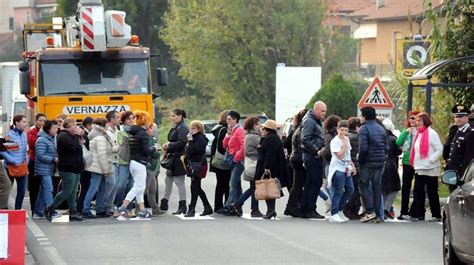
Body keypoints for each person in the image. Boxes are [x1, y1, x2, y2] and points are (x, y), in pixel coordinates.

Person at [116, 111, 158, 219]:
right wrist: (155, 148)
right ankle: (123, 207)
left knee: (139, 187)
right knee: (138, 187)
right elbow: (146, 150)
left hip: (133, 162)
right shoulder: (143, 134)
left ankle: (143, 210)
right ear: (145, 121)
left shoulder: (134, 132)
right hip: (140, 163)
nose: (150, 124)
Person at [46, 117, 85, 222]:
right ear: (68, 126)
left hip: (76, 166)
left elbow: (81, 144)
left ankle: (73, 211)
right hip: (67, 167)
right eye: (74, 125)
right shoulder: (63, 135)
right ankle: (51, 208)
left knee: (73, 191)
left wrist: (80, 136)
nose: (76, 127)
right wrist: (78, 136)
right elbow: (72, 147)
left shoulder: (72, 135)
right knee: (67, 190)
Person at [410, 113, 443, 222]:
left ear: (425, 122)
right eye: (417, 121)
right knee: (418, 191)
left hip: (431, 168)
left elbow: (439, 149)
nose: (417, 123)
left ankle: (436, 215)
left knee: (432, 192)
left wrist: (431, 160)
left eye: (420, 121)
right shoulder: (418, 134)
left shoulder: (431, 133)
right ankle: (417, 214)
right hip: (419, 167)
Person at [358, 107, 388, 223]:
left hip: (368, 162)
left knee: (363, 185)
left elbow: (363, 148)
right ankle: (379, 214)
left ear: (364, 116)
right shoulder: (381, 129)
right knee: (377, 187)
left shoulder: (364, 129)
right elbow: (386, 147)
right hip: (380, 162)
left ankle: (370, 212)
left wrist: (361, 160)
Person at [254, 120, 288, 219]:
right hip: (269, 167)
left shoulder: (270, 139)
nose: (262, 129)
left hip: (269, 168)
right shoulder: (270, 138)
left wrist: (267, 167)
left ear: (268, 130)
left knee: (268, 189)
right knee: (269, 189)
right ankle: (270, 210)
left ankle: (271, 210)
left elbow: (270, 155)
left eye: (264, 128)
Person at [299, 101, 327, 219]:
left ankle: (306, 209)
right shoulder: (310, 121)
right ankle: (310, 209)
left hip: (314, 156)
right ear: (315, 109)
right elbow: (305, 139)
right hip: (312, 156)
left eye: (325, 111)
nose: (324, 113)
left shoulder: (316, 121)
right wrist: (316, 151)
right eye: (322, 111)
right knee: (315, 183)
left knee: (311, 183)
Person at [81, 118, 113, 219]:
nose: (108, 125)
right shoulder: (100, 138)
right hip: (98, 167)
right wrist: (106, 170)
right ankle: (86, 209)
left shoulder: (97, 135)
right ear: (103, 125)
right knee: (93, 188)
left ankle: (100, 209)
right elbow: (102, 155)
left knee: (101, 189)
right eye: (107, 123)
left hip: (98, 166)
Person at [231, 116, 262, 217]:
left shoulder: (250, 135)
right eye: (257, 124)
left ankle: (254, 209)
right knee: (254, 187)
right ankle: (238, 203)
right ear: (252, 125)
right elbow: (263, 145)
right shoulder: (253, 136)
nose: (259, 126)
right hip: (254, 163)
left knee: (254, 187)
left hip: (251, 162)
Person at [161, 109, 189, 215]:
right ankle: (164, 203)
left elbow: (183, 142)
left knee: (179, 182)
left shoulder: (182, 128)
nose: (172, 118)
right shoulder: (178, 127)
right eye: (171, 116)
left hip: (178, 159)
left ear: (180, 116)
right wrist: (168, 145)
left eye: (174, 116)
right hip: (172, 158)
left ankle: (182, 205)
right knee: (168, 181)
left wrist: (169, 145)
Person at [327, 120, 355, 223]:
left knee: (350, 189)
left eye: (346, 130)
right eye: (341, 130)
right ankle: (334, 213)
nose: (343, 132)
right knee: (338, 191)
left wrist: (352, 166)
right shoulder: (335, 141)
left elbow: (348, 155)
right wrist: (343, 145)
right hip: (337, 169)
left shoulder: (347, 139)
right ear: (337, 130)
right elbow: (340, 155)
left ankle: (339, 210)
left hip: (346, 168)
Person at [218, 111, 245, 215]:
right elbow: (224, 146)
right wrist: (228, 134)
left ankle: (229, 206)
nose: (228, 122)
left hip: (238, 161)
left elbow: (243, 146)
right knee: (237, 184)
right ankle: (237, 206)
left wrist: (236, 158)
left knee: (232, 183)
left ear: (235, 120)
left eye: (230, 119)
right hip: (232, 160)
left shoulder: (240, 130)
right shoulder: (232, 130)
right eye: (227, 119)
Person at [183, 121, 212, 217]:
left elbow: (196, 150)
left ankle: (192, 209)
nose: (191, 130)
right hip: (192, 164)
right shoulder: (193, 138)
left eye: (194, 128)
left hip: (199, 165)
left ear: (199, 129)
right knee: (196, 187)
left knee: (194, 187)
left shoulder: (201, 138)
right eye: (190, 128)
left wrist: (190, 141)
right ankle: (207, 207)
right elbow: (188, 151)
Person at [34, 120, 62, 219]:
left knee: (44, 190)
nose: (56, 129)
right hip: (43, 168)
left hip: (48, 168)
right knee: (48, 188)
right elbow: (40, 155)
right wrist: (54, 159)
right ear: (48, 129)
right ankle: (51, 211)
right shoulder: (42, 139)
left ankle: (38, 211)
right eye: (54, 128)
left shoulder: (51, 138)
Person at [395, 110, 420, 220]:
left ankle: (417, 211)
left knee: (419, 188)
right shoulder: (406, 130)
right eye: (411, 118)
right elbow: (398, 143)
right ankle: (404, 211)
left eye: (415, 118)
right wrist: (406, 132)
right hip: (407, 161)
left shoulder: (422, 131)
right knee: (406, 187)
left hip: (419, 162)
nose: (412, 120)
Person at [94, 111, 119, 217]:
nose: (119, 119)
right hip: (108, 161)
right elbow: (107, 149)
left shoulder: (118, 130)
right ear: (112, 119)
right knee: (110, 184)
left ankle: (109, 207)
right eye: (117, 117)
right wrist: (120, 147)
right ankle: (100, 207)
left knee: (115, 186)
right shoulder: (106, 132)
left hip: (117, 161)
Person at [0, 114, 29, 210]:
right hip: (10, 167)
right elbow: (3, 151)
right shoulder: (9, 135)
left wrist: (26, 159)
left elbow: (25, 150)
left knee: (22, 191)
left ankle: (18, 210)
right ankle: (3, 209)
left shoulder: (24, 135)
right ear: (17, 123)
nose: (26, 124)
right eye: (23, 122)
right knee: (7, 188)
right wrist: (13, 160)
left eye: (26, 122)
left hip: (22, 167)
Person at [284, 109, 307, 217]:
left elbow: (286, 143)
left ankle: (293, 206)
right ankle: (292, 206)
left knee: (297, 184)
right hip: (299, 158)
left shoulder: (296, 128)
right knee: (298, 184)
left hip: (294, 158)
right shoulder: (301, 129)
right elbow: (286, 143)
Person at [209, 110, 231, 212]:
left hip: (216, 159)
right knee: (225, 184)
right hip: (223, 159)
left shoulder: (218, 129)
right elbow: (223, 146)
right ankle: (224, 205)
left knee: (220, 184)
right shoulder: (224, 130)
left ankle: (218, 205)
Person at [381, 118, 402, 219]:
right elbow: (398, 151)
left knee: (383, 188)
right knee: (395, 188)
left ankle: (382, 209)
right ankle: (386, 208)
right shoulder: (392, 139)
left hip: (381, 164)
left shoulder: (380, 137)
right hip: (391, 166)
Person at [444, 105, 472, 179]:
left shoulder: (470, 132)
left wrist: (464, 174)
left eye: (461, 117)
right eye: (456, 117)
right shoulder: (457, 130)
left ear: (467, 118)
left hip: (462, 172)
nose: (458, 119)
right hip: (453, 170)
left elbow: (469, 156)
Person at [27, 113, 47, 216]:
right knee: (34, 186)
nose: (42, 123)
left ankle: (42, 208)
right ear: (36, 121)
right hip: (34, 161)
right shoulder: (32, 132)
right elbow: (33, 144)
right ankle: (34, 208)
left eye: (44, 121)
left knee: (44, 186)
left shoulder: (47, 131)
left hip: (45, 163)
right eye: (40, 121)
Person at [343, 117, 361, 220]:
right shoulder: (357, 138)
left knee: (350, 188)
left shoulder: (347, 137)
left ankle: (351, 210)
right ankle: (351, 209)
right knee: (357, 189)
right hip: (356, 166)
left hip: (348, 165)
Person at [115, 111, 134, 209]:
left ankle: (129, 205)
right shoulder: (120, 132)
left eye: (132, 118)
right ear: (124, 121)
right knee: (121, 185)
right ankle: (119, 204)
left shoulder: (137, 130)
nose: (131, 120)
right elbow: (122, 144)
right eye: (128, 119)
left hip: (135, 161)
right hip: (123, 162)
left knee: (131, 185)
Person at [76, 116, 93, 214]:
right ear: (88, 125)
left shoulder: (86, 133)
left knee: (85, 187)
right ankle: (80, 208)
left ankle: (80, 207)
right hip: (84, 165)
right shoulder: (84, 134)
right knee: (84, 187)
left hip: (84, 164)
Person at [145, 123, 163, 216]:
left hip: (153, 167)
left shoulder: (152, 139)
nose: (153, 131)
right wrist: (157, 152)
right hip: (149, 166)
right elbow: (152, 153)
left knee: (152, 189)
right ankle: (138, 208)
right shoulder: (147, 139)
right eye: (151, 129)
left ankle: (155, 208)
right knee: (145, 189)